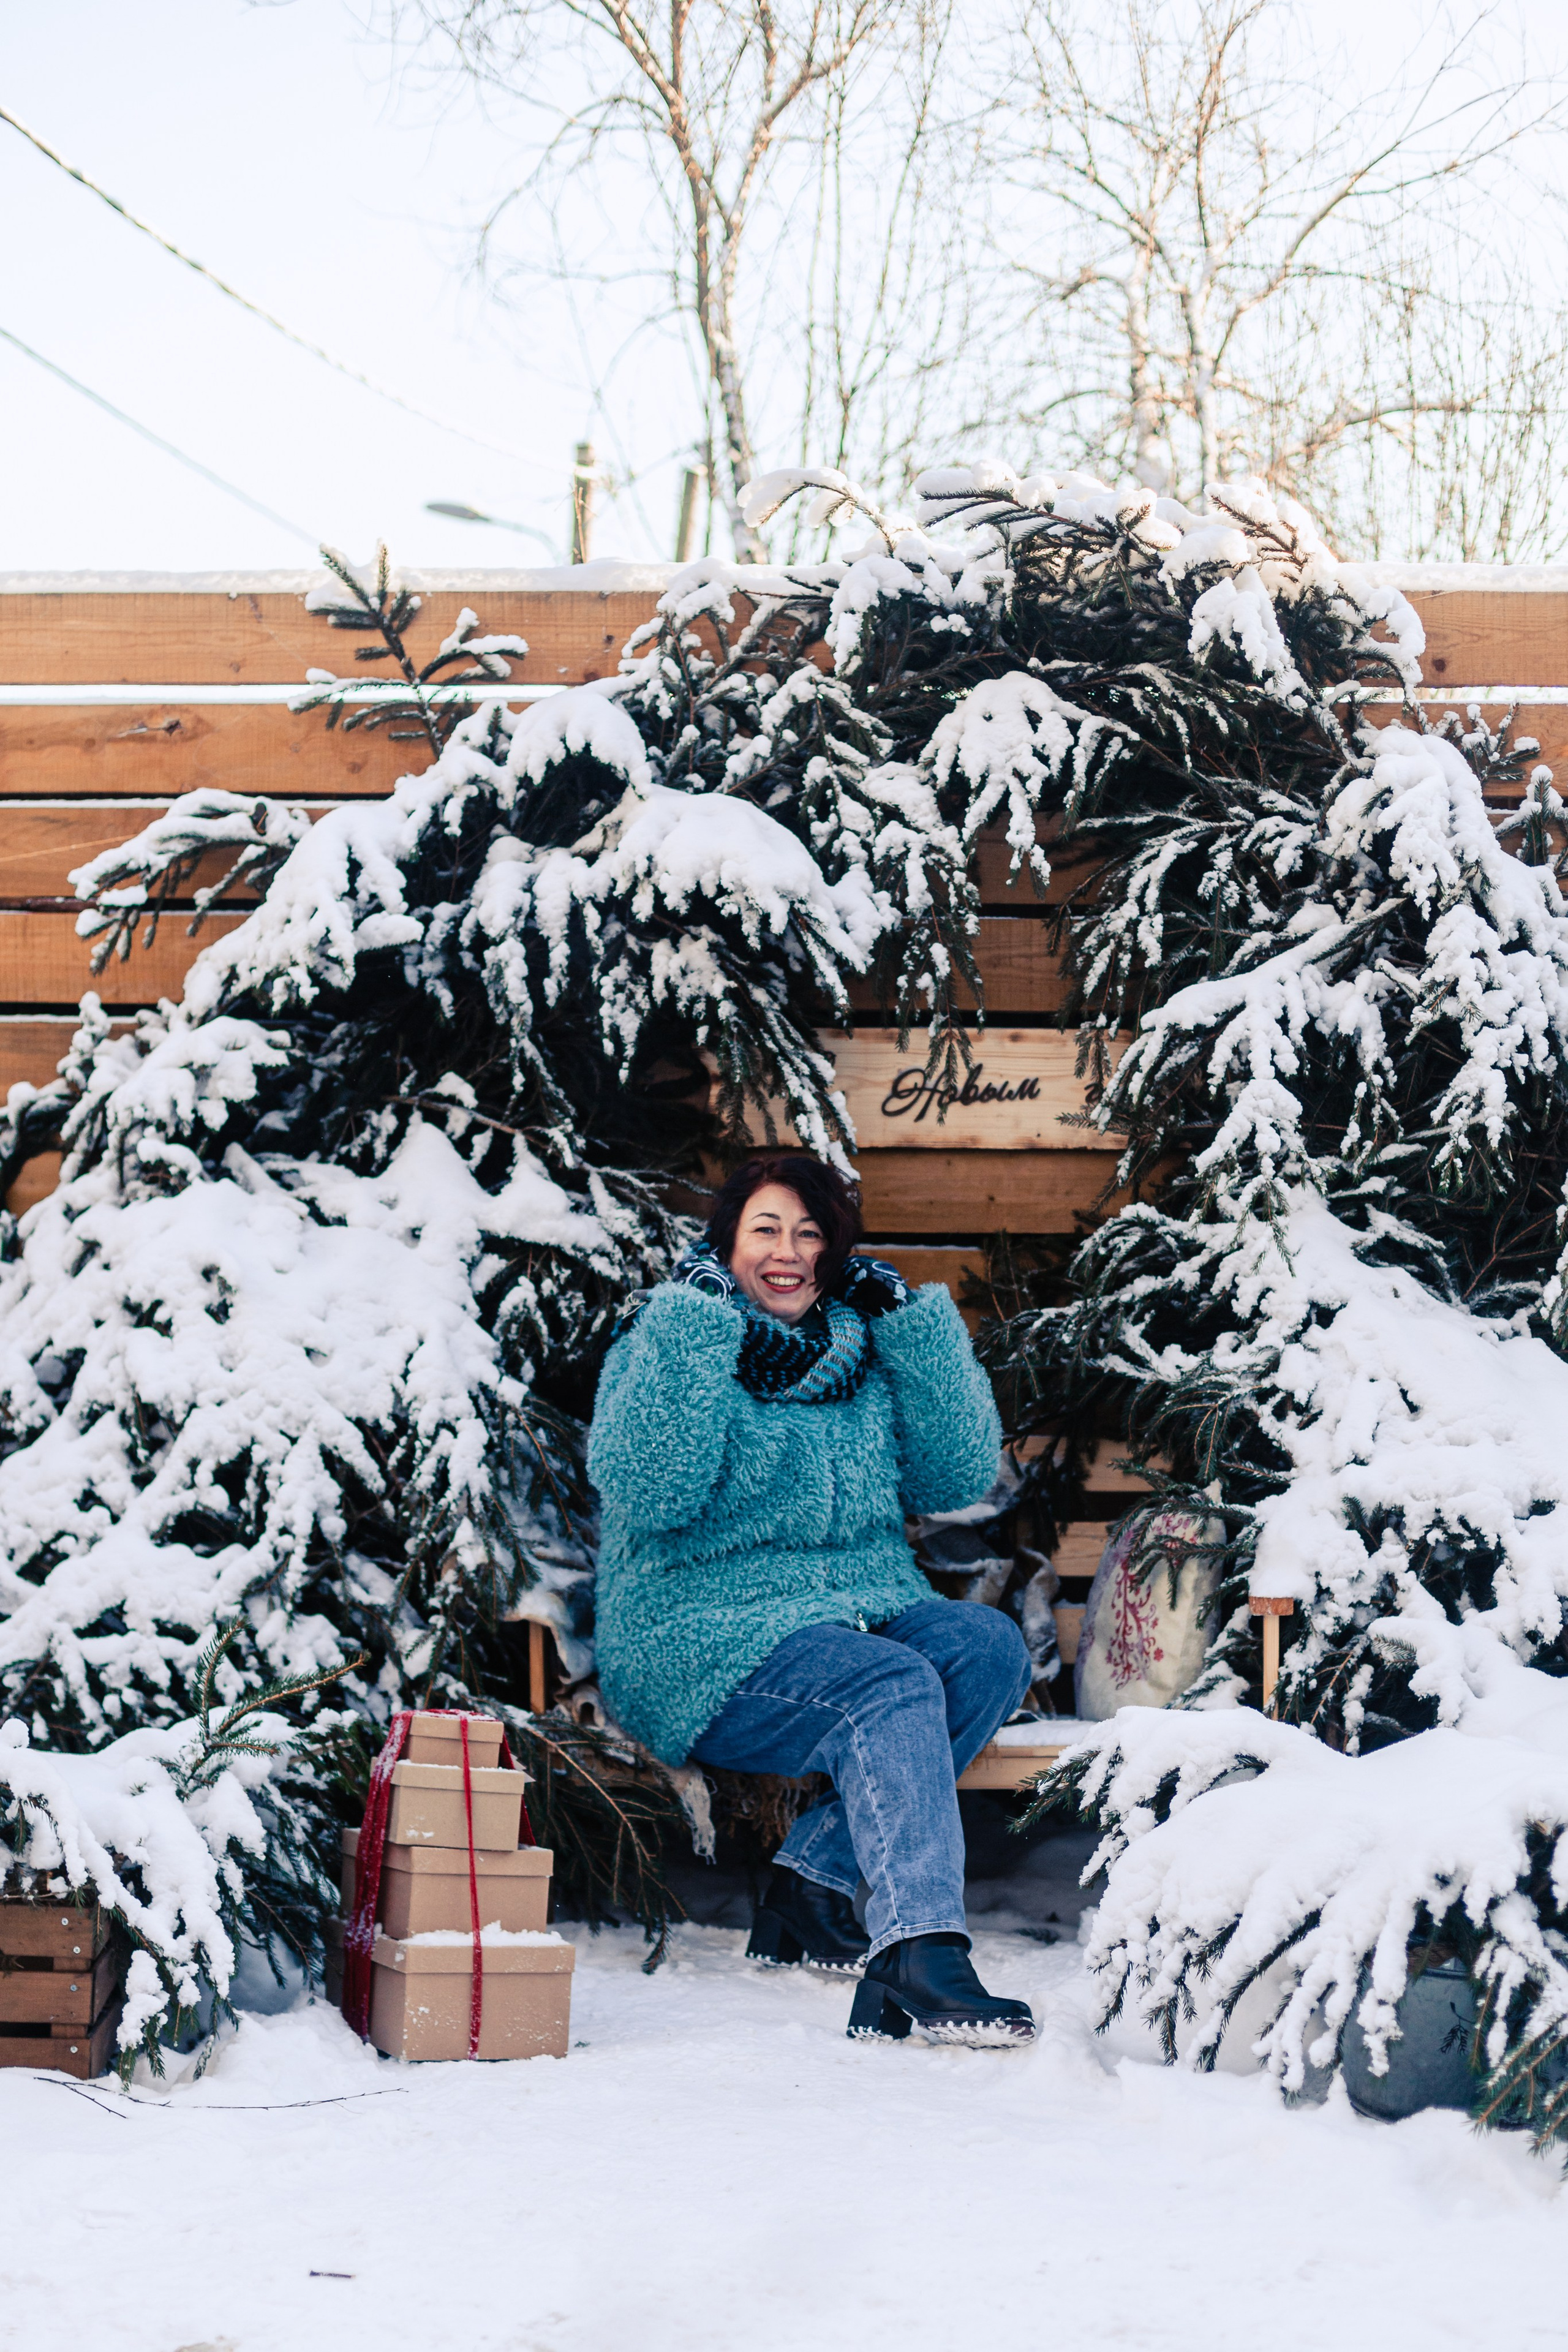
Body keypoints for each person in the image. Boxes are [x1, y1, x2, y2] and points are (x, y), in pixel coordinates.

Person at [587, 1150, 1036, 2045]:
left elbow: (955, 1474)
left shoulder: (863, 1354)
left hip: (855, 1614)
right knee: (889, 1685)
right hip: (698, 1634)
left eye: (810, 1232)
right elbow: (648, 1488)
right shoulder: (666, 1340)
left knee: (987, 1649)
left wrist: (912, 1327)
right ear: (726, 1245)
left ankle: (811, 1878)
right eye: (765, 1229)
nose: (788, 1251)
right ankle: (920, 1946)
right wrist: (694, 1327)